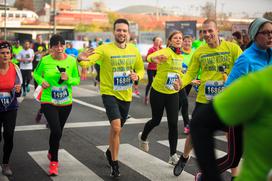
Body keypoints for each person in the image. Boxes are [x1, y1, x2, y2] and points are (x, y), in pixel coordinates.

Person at [191, 17, 272, 181]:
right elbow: (229, 87)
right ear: (255, 35)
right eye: (266, 33)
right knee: (233, 158)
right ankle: (204, 176)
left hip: (262, 118)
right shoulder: (246, 59)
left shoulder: (269, 55)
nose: (271, 36)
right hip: (242, 114)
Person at [173, 19, 243, 177]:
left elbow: (243, 68)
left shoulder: (233, 48)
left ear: (217, 30)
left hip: (227, 101)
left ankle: (235, 175)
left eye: (210, 30)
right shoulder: (199, 52)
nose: (207, 34)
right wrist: (181, 84)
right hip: (205, 100)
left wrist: (234, 81)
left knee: (231, 138)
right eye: (204, 32)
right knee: (193, 132)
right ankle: (184, 158)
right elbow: (191, 72)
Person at [77, 19, 145, 177]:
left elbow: (141, 69)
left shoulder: (134, 50)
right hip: (109, 92)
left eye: (124, 31)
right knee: (116, 128)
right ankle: (115, 164)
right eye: (119, 30)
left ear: (128, 33)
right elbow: (87, 62)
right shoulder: (104, 49)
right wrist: (81, 58)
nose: (121, 33)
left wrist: (138, 75)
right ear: (114, 32)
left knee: (117, 129)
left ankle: (109, 152)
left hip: (126, 95)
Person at [190, 65, 272, 181]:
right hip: (236, 109)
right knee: (233, 158)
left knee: (234, 158)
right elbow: (200, 123)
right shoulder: (260, 76)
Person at [33, 34, 80, 176]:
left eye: (62, 45)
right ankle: (54, 162)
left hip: (66, 102)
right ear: (51, 47)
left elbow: (77, 80)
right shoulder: (45, 60)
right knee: (57, 131)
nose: (59, 48)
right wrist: (41, 81)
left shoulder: (71, 61)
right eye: (56, 46)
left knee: (56, 132)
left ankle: (51, 151)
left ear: (65, 46)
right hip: (49, 101)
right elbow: (36, 73)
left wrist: (69, 79)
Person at [138, 31, 184, 165]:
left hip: (172, 93)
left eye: (180, 38)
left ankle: (173, 155)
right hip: (158, 92)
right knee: (156, 120)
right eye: (175, 37)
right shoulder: (165, 52)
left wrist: (185, 80)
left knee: (173, 124)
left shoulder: (180, 56)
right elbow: (149, 57)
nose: (178, 40)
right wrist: (154, 59)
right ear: (170, 41)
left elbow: (178, 72)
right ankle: (143, 136)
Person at [0, 41, 22, 176]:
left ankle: (6, 163)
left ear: (11, 55)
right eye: (2, 53)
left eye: (7, 53)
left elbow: (18, 92)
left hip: (10, 107)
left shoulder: (15, 68)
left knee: (9, 135)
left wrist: (18, 90)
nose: (5, 55)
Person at [179, 35, 194, 134]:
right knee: (185, 102)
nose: (187, 43)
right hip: (179, 81)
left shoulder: (194, 53)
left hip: (190, 81)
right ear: (182, 42)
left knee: (179, 103)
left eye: (189, 41)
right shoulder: (178, 53)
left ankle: (172, 114)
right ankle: (187, 125)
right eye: (185, 41)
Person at [33, 34, 48, 123]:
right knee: (44, 99)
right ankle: (41, 111)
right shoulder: (35, 45)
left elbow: (45, 52)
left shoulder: (48, 57)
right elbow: (33, 53)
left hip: (49, 79)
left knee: (51, 101)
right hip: (37, 68)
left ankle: (49, 120)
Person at [144, 36, 163, 105]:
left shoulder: (162, 49)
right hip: (151, 69)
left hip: (158, 69)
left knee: (159, 83)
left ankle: (158, 97)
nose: (158, 42)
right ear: (154, 41)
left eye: (160, 41)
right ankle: (146, 96)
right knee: (150, 83)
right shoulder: (151, 49)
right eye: (157, 40)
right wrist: (154, 59)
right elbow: (147, 58)